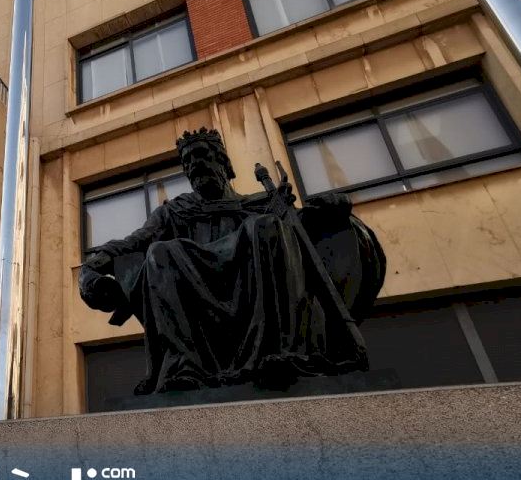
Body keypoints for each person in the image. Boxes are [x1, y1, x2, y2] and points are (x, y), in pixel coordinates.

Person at [79, 128, 385, 394]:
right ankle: (184, 366)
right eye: (188, 161)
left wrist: (334, 207)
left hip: (251, 291)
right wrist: (90, 269)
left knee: (266, 227)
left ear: (224, 163)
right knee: (159, 252)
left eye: (202, 155)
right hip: (195, 297)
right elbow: (131, 243)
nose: (195, 164)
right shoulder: (174, 211)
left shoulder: (261, 207)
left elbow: (301, 238)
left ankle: (279, 351)